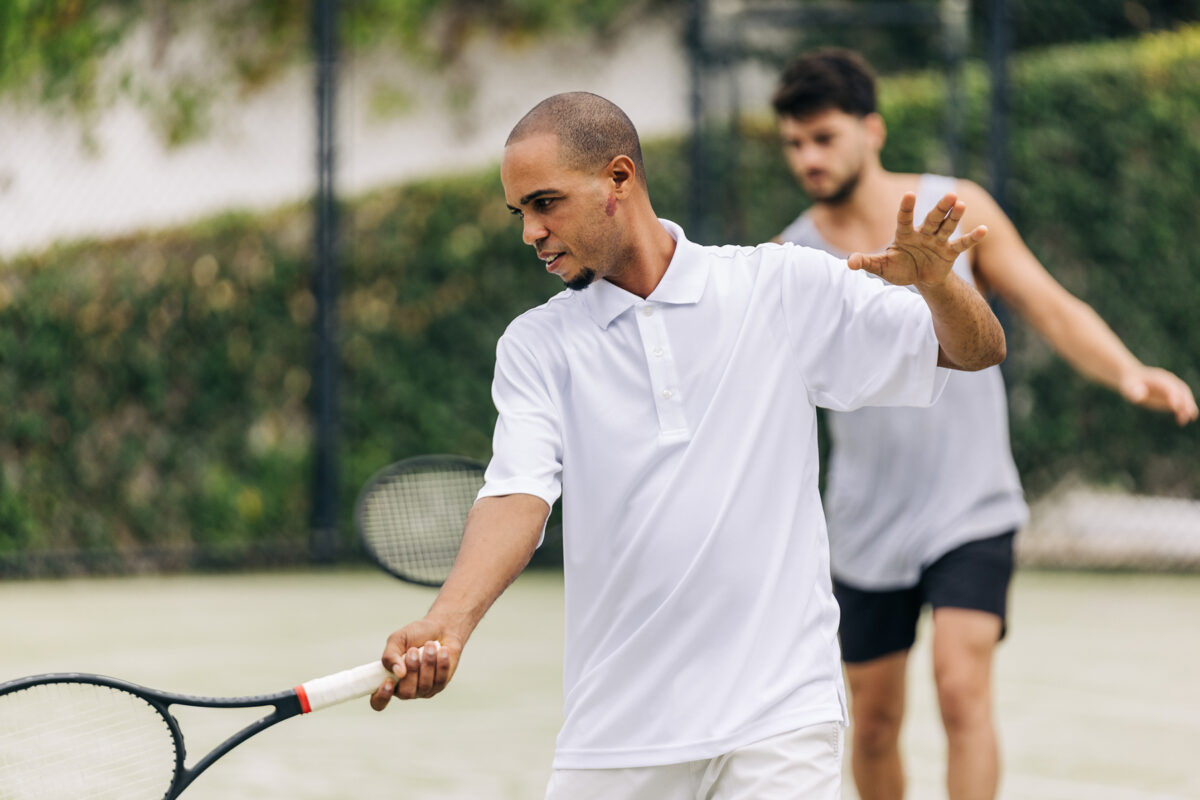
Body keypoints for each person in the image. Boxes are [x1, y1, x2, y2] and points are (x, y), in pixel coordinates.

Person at [368, 90, 1006, 800]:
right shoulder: (535, 346)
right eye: (520, 211)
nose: (531, 232)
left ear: (619, 179)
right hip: (616, 733)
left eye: (546, 203)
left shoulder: (778, 283)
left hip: (781, 715)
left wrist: (941, 287)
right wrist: (447, 624)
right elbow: (517, 493)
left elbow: (975, 350)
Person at [770, 48, 1199, 800]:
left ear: (872, 131)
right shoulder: (789, 258)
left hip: (970, 502)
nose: (808, 157)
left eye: (824, 137)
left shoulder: (956, 208)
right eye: (794, 143)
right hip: (863, 521)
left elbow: (1048, 302)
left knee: (962, 688)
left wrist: (1128, 371)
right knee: (873, 722)